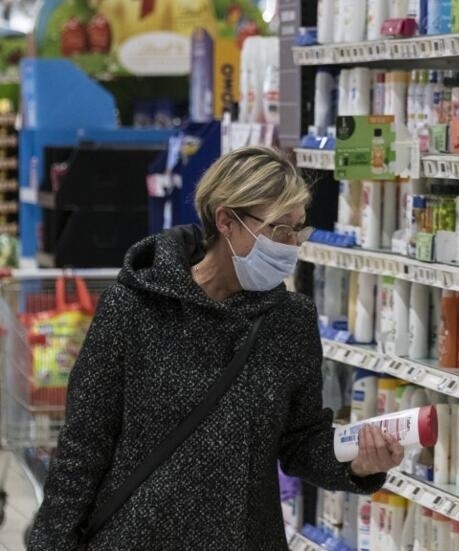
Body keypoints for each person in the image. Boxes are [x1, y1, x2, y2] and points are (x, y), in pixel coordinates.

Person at [28, 146, 404, 550]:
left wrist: (357, 463)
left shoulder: (289, 319)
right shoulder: (136, 303)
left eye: (298, 229)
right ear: (226, 220)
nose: (292, 245)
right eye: (280, 229)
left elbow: (300, 441)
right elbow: (86, 441)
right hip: (135, 538)